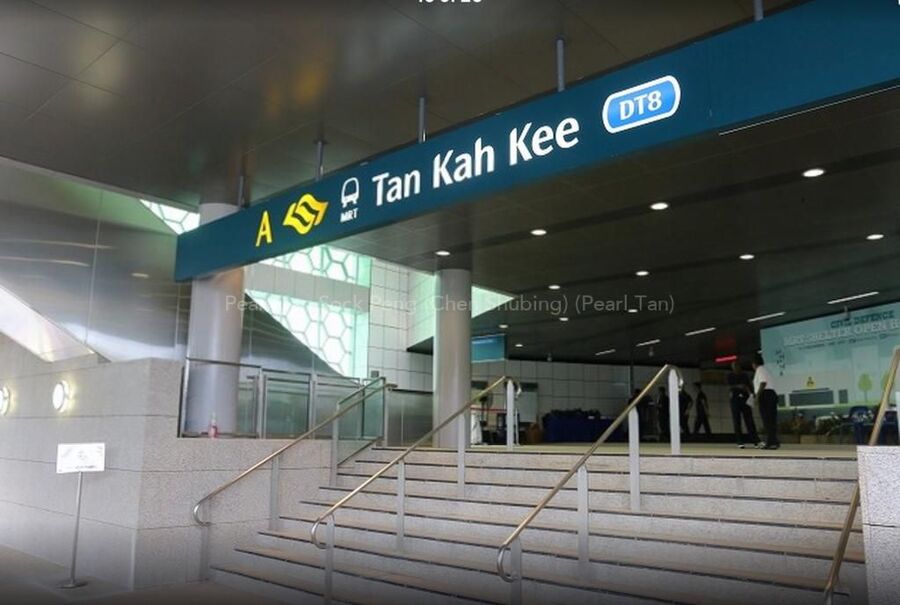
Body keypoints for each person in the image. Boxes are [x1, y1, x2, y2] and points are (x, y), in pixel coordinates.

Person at [727, 360, 761, 449]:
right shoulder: (730, 375)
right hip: (735, 399)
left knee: (749, 420)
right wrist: (738, 386)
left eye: (737, 366)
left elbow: (749, 386)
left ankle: (755, 441)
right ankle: (740, 441)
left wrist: (752, 395)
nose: (735, 368)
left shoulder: (744, 375)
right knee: (737, 421)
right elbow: (729, 386)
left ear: (739, 367)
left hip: (745, 399)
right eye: (734, 366)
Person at [753, 353, 780, 449]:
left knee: (767, 420)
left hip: (765, 395)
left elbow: (763, 383)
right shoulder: (766, 369)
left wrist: (757, 397)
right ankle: (774, 441)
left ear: (754, 364)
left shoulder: (760, 369)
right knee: (771, 420)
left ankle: (770, 442)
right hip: (771, 394)